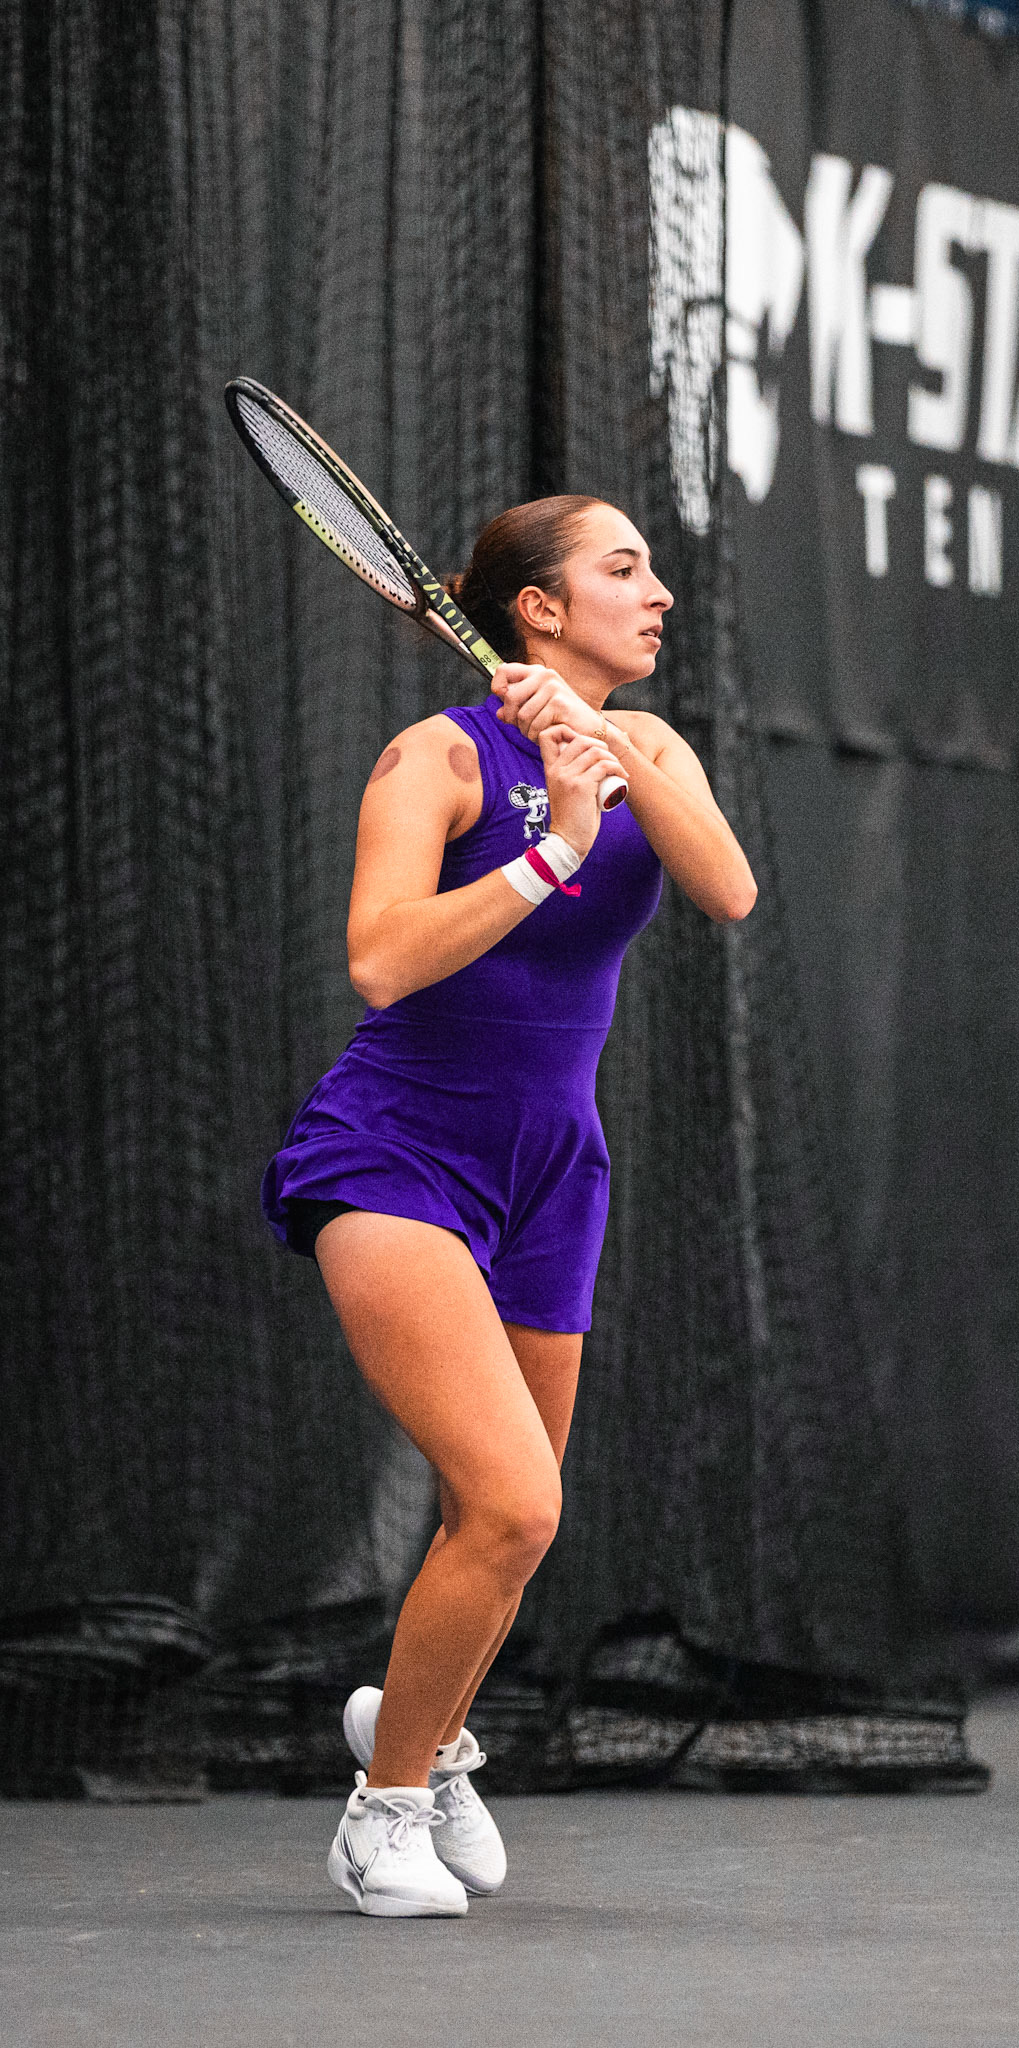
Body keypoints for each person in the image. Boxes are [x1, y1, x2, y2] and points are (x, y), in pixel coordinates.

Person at [261, 494, 757, 1917]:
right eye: (622, 569)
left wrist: (600, 761)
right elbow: (379, 959)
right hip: (397, 1153)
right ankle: (386, 1806)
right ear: (534, 608)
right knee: (512, 1501)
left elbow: (723, 887)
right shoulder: (435, 756)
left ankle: (421, 1728)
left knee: (508, 1523)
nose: (656, 591)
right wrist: (549, 843)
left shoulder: (648, 741)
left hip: (553, 1172)